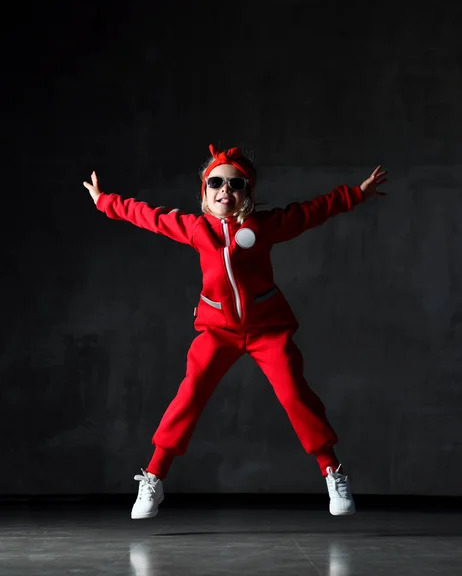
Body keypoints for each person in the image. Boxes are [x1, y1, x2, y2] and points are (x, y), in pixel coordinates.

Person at [83, 144, 387, 520]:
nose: (225, 190)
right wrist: (104, 201)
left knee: (295, 393)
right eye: (216, 183)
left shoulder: (264, 226)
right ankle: (154, 477)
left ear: (247, 193)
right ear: (205, 193)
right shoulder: (196, 229)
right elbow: (148, 216)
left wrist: (356, 194)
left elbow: (311, 211)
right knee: (189, 395)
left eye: (235, 184)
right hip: (218, 332)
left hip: (266, 330)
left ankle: (332, 472)